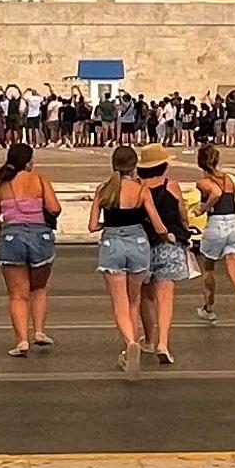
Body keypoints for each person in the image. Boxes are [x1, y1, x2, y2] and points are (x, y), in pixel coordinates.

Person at [89, 143, 167, 378]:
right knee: (134, 300)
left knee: (119, 303)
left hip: (112, 244)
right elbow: (158, 224)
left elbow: (92, 226)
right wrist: (169, 235)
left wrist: (107, 225)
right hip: (139, 244)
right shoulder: (141, 190)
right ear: (135, 166)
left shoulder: (104, 189)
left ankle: (130, 343)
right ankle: (132, 342)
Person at [0, 140, 60, 356]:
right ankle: (39, 331)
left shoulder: (1, 184)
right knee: (38, 288)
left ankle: (21, 341)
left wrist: (5, 224)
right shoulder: (40, 179)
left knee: (17, 295)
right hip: (40, 235)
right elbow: (54, 208)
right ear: (28, 162)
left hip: (11, 236)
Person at [192, 143, 235, 334]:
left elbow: (215, 193)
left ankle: (209, 308)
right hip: (234, 225)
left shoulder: (203, 182)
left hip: (216, 225)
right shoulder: (231, 179)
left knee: (208, 268)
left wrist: (203, 207)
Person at [135, 144, 189, 366]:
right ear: (163, 165)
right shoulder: (172, 186)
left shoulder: (137, 188)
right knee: (165, 297)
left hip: (142, 244)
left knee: (145, 295)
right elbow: (182, 214)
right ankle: (163, 343)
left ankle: (148, 339)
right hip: (170, 243)